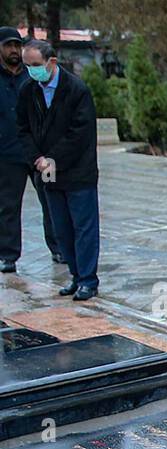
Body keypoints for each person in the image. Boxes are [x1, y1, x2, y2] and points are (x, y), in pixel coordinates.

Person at [15, 39, 99, 301]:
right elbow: (23, 129)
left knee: (83, 228)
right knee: (61, 229)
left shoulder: (76, 90)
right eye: (27, 65)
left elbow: (80, 133)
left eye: (36, 65)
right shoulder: (28, 90)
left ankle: (88, 280)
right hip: (46, 172)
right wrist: (37, 158)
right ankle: (75, 276)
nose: (31, 70)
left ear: (51, 62)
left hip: (77, 171)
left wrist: (52, 158)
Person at [0, 26, 60, 275]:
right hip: (7, 154)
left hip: (38, 154)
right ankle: (8, 255)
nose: (14, 50)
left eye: (17, 45)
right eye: (8, 45)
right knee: (7, 206)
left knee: (51, 200)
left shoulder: (32, 75)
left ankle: (59, 248)